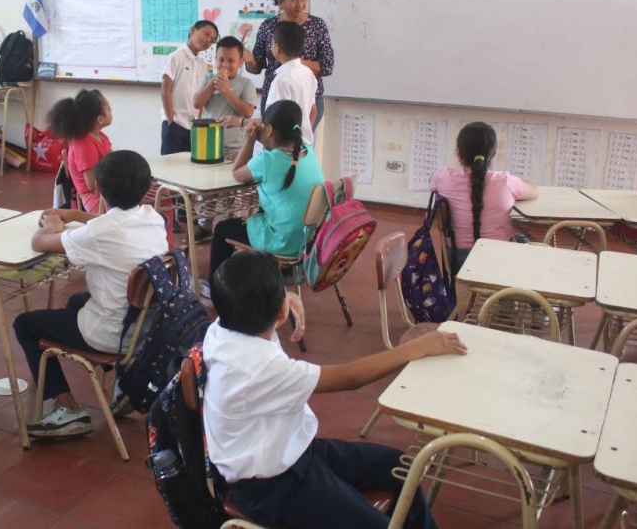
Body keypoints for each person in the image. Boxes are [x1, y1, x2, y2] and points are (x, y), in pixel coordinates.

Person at [204, 250, 466, 529]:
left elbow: (256, 315)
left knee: (403, 470)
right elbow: (351, 378)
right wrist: (414, 348)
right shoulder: (262, 369)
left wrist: (285, 300)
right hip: (271, 489)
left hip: (294, 454)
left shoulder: (221, 330)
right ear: (280, 312)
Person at [14, 150, 168, 438]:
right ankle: (125, 385)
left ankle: (68, 409)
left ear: (97, 188)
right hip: (147, 328)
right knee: (75, 301)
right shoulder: (153, 218)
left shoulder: (99, 233)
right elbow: (108, 223)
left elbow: (40, 242)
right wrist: (73, 215)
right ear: (146, 187)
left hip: (112, 333)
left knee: (25, 324)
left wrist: (54, 225)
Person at [205, 100, 323, 297]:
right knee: (261, 211)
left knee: (222, 230)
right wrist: (265, 138)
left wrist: (250, 140)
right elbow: (278, 156)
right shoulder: (308, 151)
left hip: (283, 241)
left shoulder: (267, 161)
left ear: (269, 129)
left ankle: (215, 291)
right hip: (307, 239)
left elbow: (237, 173)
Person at [430, 122, 539, 270]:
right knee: (527, 242)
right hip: (501, 261)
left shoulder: (442, 177)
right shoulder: (505, 181)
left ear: (459, 154)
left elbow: (432, 183)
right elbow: (534, 191)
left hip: (459, 262)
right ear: (493, 154)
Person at [243, 0, 334, 132]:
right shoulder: (268, 26)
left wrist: (293, 61)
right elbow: (256, 67)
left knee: (300, 145)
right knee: (272, 145)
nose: (300, 4)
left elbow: (326, 67)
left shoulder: (317, 25)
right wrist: (250, 60)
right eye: (293, 0)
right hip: (275, 95)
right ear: (280, 2)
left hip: (308, 98)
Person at [48, 89, 113, 214]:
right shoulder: (84, 144)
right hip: (97, 202)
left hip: (107, 195)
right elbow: (92, 185)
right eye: (109, 108)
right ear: (100, 119)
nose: (111, 111)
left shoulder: (101, 137)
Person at [193, 35, 258, 160]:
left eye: (231, 61)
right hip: (208, 145)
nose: (225, 65)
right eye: (221, 60)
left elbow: (248, 112)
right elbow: (196, 103)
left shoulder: (246, 83)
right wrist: (213, 83)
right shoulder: (208, 79)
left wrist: (225, 91)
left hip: (235, 149)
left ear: (240, 62)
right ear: (215, 58)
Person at [161, 20, 219, 155]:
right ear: (192, 30)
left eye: (212, 40)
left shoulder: (203, 64)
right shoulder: (175, 57)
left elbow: (201, 96)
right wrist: (171, 121)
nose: (207, 41)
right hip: (175, 124)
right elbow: (165, 91)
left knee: (188, 169)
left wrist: (198, 122)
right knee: (170, 169)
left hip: (194, 127)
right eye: (206, 34)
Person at [259, 21, 317, 147]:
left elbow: (272, 122)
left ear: (277, 47)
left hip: (283, 148)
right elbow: (313, 111)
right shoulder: (308, 73)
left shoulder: (281, 81)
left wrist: (241, 122)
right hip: (303, 145)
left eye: (272, 43)